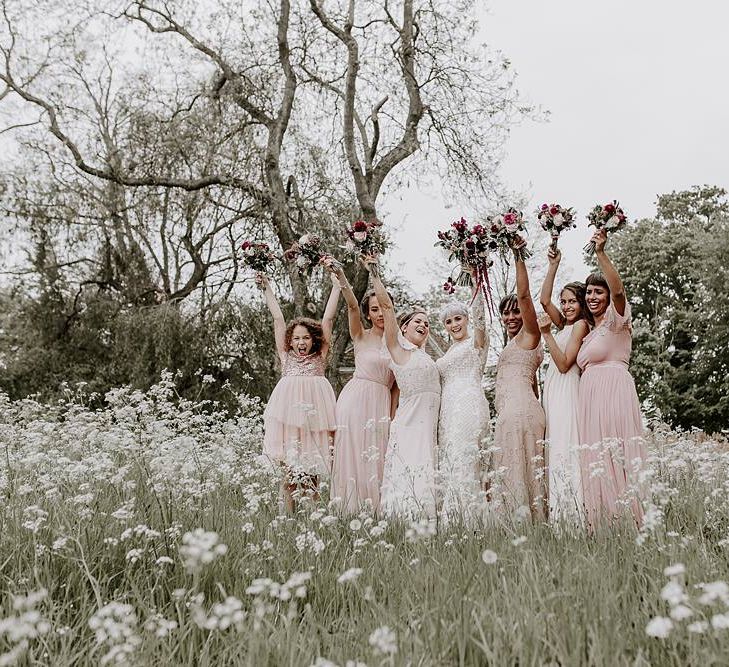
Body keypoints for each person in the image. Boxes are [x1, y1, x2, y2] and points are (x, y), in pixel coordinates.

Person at [577, 229, 645, 527]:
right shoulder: (588, 334)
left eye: (597, 292)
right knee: (594, 460)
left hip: (614, 391)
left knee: (617, 452)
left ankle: (629, 520)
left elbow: (619, 291)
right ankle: (601, 523)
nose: (593, 297)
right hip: (589, 399)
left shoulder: (618, 321)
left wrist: (601, 253)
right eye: (589, 292)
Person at [257, 272, 340, 512]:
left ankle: (314, 517)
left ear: (313, 340)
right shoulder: (285, 357)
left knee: (312, 474)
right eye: (296, 338)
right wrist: (266, 288)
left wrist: (336, 287)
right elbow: (277, 318)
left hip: (314, 418)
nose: (301, 342)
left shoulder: (320, 356)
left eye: (306, 338)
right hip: (289, 420)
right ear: (290, 341)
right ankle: (288, 517)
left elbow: (329, 319)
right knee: (290, 475)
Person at [364, 257, 440, 518]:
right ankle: (404, 520)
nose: (423, 325)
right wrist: (374, 273)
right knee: (411, 471)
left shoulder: (427, 358)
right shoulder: (398, 350)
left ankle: (427, 523)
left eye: (427, 323)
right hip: (410, 426)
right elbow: (386, 307)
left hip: (430, 427)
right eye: (417, 321)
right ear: (403, 328)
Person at [324, 258, 395, 513]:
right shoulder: (360, 335)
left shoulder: (398, 343)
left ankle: (377, 511)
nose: (379, 314)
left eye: (382, 309)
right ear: (368, 314)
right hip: (356, 399)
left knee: (378, 455)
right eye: (373, 310)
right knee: (353, 453)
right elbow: (352, 306)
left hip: (381, 401)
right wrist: (342, 278)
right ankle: (348, 511)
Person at [491, 243, 546, 521]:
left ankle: (527, 524)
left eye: (516, 312)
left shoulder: (531, 336)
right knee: (513, 469)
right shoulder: (513, 344)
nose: (511, 317)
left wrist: (517, 256)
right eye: (506, 313)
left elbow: (524, 295)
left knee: (522, 470)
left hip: (520, 412)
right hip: (513, 412)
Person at [538, 247, 589, 523]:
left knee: (565, 446)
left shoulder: (580, 326)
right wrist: (553, 265)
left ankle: (573, 517)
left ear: (581, 304)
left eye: (572, 301)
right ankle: (558, 515)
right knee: (555, 446)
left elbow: (564, 363)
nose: (567, 306)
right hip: (554, 390)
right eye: (564, 301)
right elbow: (544, 300)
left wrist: (546, 335)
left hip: (567, 388)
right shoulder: (564, 326)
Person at [435, 279, 490, 524]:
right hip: (448, 410)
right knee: (451, 459)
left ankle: (469, 519)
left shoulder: (476, 342)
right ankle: (453, 518)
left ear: (466, 319)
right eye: (448, 321)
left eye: (458, 318)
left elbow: (481, 317)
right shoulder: (448, 352)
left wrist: (476, 279)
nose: (454, 324)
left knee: (466, 458)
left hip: (468, 404)